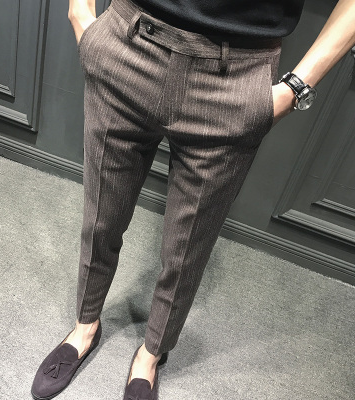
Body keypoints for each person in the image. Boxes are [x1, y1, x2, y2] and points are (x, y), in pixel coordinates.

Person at [31, 0, 355, 399]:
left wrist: (294, 90)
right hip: (128, 44)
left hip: (234, 77)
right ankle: (85, 326)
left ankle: (151, 354)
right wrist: (79, 11)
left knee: (187, 251)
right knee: (101, 219)